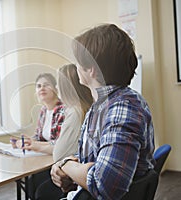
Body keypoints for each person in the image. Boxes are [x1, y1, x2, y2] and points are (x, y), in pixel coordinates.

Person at [51, 24, 155, 200]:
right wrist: (67, 164)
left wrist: (67, 166)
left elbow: (106, 184)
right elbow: (93, 156)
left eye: (78, 60)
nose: (75, 65)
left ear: (90, 68)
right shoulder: (102, 106)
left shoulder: (122, 108)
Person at [33, 64, 93, 200]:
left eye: (57, 85)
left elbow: (58, 153)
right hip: (78, 170)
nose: (57, 88)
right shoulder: (84, 107)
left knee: (42, 191)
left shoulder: (73, 111)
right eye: (38, 86)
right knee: (36, 181)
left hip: (76, 177)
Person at [10, 73, 65, 200]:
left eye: (46, 85)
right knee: (30, 184)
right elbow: (38, 137)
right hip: (44, 159)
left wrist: (32, 145)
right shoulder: (43, 111)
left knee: (40, 190)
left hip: (57, 161)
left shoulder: (63, 109)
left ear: (55, 89)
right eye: (39, 86)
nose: (42, 88)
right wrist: (25, 141)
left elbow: (59, 144)